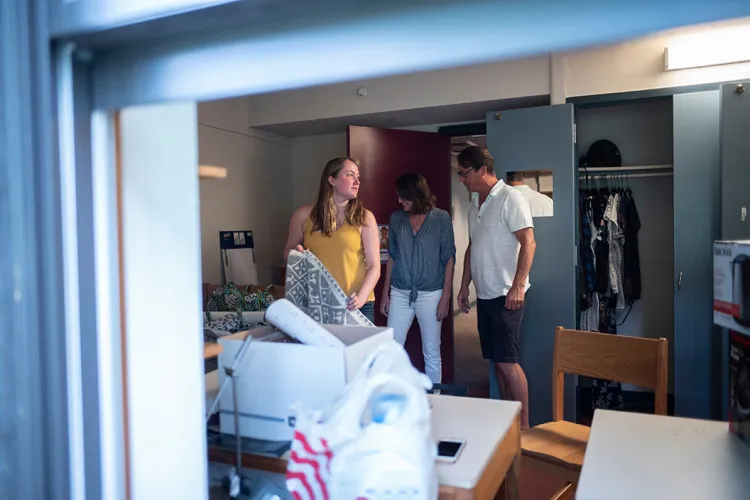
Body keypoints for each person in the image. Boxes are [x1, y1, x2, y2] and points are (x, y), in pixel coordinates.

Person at [456, 147, 536, 429]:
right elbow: (472, 248)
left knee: (508, 362)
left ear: (481, 170)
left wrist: (517, 288)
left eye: (464, 173)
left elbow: (529, 243)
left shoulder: (509, 198)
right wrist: (464, 285)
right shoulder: (474, 205)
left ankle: (525, 428)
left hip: (506, 295)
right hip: (485, 295)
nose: (461, 179)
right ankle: (507, 422)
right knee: (496, 362)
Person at [283, 157, 380, 322]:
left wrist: (362, 297)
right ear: (332, 180)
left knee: (359, 349)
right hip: (317, 305)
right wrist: (295, 255)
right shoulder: (303, 215)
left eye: (358, 176)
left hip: (357, 305)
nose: (357, 181)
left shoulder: (365, 217)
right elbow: (288, 253)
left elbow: (374, 266)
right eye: (350, 175)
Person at [380, 173, 455, 384]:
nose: (399, 201)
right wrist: (386, 293)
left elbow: (449, 259)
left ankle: (435, 400)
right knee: (392, 347)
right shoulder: (397, 219)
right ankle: (394, 398)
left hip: (431, 293)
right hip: (400, 292)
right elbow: (392, 256)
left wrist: (445, 298)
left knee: (431, 350)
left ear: (415, 195)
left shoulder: (441, 219)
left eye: (403, 196)